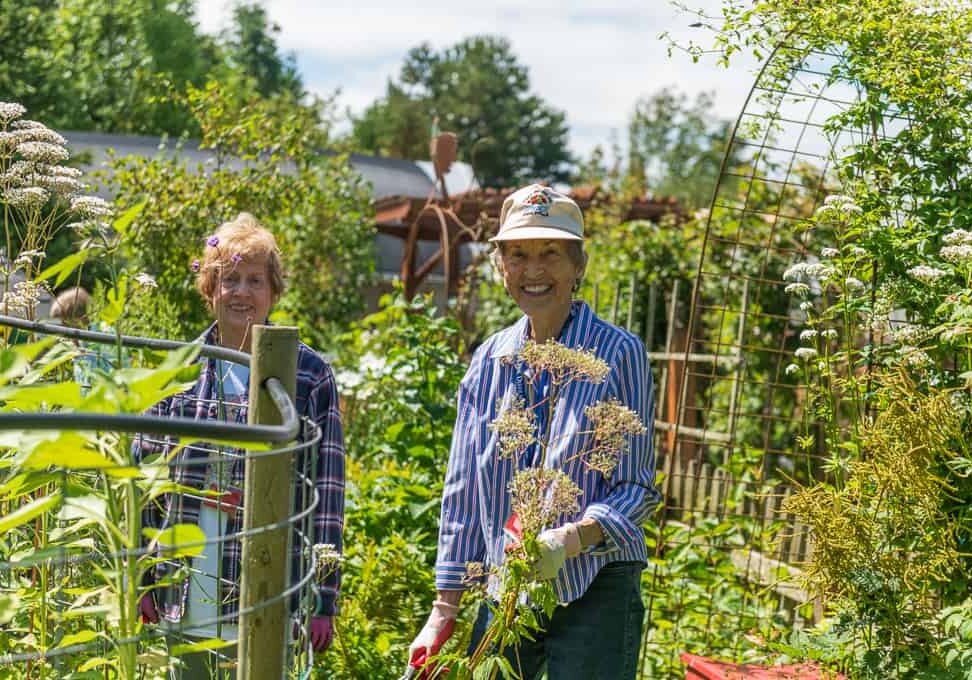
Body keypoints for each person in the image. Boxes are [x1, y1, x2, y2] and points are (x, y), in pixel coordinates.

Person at [407, 185, 660, 679]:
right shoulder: (490, 360)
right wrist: (444, 609)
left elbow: (637, 490)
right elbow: (461, 491)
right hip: (507, 588)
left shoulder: (617, 355)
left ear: (578, 265)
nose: (534, 270)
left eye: (551, 253)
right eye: (518, 254)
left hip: (597, 583)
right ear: (501, 266)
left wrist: (571, 539)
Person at [135, 213, 345, 678]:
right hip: (188, 575)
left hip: (274, 579)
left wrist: (323, 596)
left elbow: (327, 490)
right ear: (210, 289)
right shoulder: (181, 372)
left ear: (274, 291)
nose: (242, 293)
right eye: (230, 279)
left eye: (255, 280)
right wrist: (142, 579)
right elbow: (144, 480)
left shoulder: (309, 376)